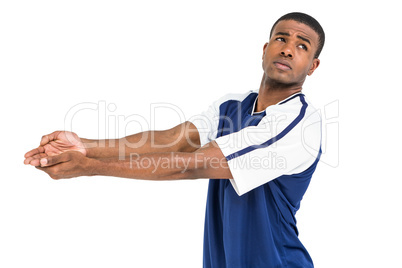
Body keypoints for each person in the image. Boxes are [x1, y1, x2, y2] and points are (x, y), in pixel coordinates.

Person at [24, 12, 325, 268]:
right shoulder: (232, 106)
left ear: (312, 66)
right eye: (281, 38)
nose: (288, 49)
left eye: (302, 46)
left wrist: (88, 167)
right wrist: (86, 146)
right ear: (264, 48)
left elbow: (193, 165)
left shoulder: (299, 123)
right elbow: (173, 141)